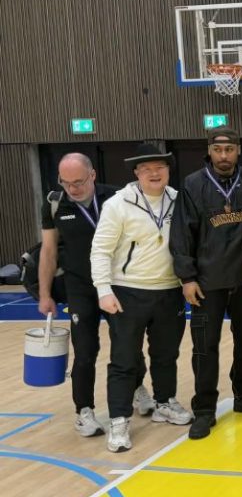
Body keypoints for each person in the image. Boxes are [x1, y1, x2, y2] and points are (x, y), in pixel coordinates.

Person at [170, 127, 242, 440]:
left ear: (238, 150)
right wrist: (187, 277)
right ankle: (204, 409)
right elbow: (181, 234)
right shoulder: (193, 184)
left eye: (229, 150)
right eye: (218, 150)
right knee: (205, 348)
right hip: (207, 282)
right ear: (209, 151)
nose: (224, 156)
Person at [38, 154, 147, 437]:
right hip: (79, 288)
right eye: (65, 183)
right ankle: (83, 410)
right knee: (85, 351)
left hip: (117, 284)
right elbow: (48, 251)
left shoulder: (117, 197)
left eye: (78, 182)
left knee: (128, 345)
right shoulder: (54, 204)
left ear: (93, 175)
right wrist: (44, 294)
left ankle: (137, 388)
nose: (72, 189)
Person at [91, 144, 190, 453]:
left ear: (169, 170)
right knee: (124, 360)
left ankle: (164, 403)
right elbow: (101, 249)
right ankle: (119, 421)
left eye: (159, 167)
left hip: (169, 290)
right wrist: (103, 289)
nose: (154, 173)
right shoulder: (117, 204)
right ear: (136, 173)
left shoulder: (179, 200)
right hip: (127, 291)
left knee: (166, 354)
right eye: (146, 169)